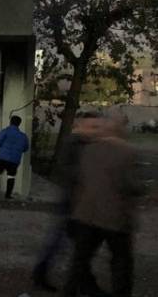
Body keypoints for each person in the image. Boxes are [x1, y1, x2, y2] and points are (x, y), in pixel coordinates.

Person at [63, 112, 145, 297]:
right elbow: (131, 185)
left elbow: (80, 178)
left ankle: (68, 293)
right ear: (121, 129)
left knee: (80, 261)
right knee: (121, 262)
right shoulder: (128, 151)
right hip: (115, 217)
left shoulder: (90, 149)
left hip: (87, 214)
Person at [32, 111, 106, 293]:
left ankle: (45, 273)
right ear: (81, 126)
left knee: (75, 245)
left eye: (97, 127)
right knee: (69, 244)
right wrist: (86, 177)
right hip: (72, 201)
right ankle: (46, 273)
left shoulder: (90, 144)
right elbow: (65, 170)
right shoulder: (73, 143)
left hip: (82, 202)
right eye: (92, 127)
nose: (95, 131)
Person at [0, 115, 30, 199]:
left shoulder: (5, 131)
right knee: (11, 177)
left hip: (2, 158)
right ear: (19, 124)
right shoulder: (23, 136)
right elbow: (25, 148)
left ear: (10, 122)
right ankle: (8, 195)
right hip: (14, 160)